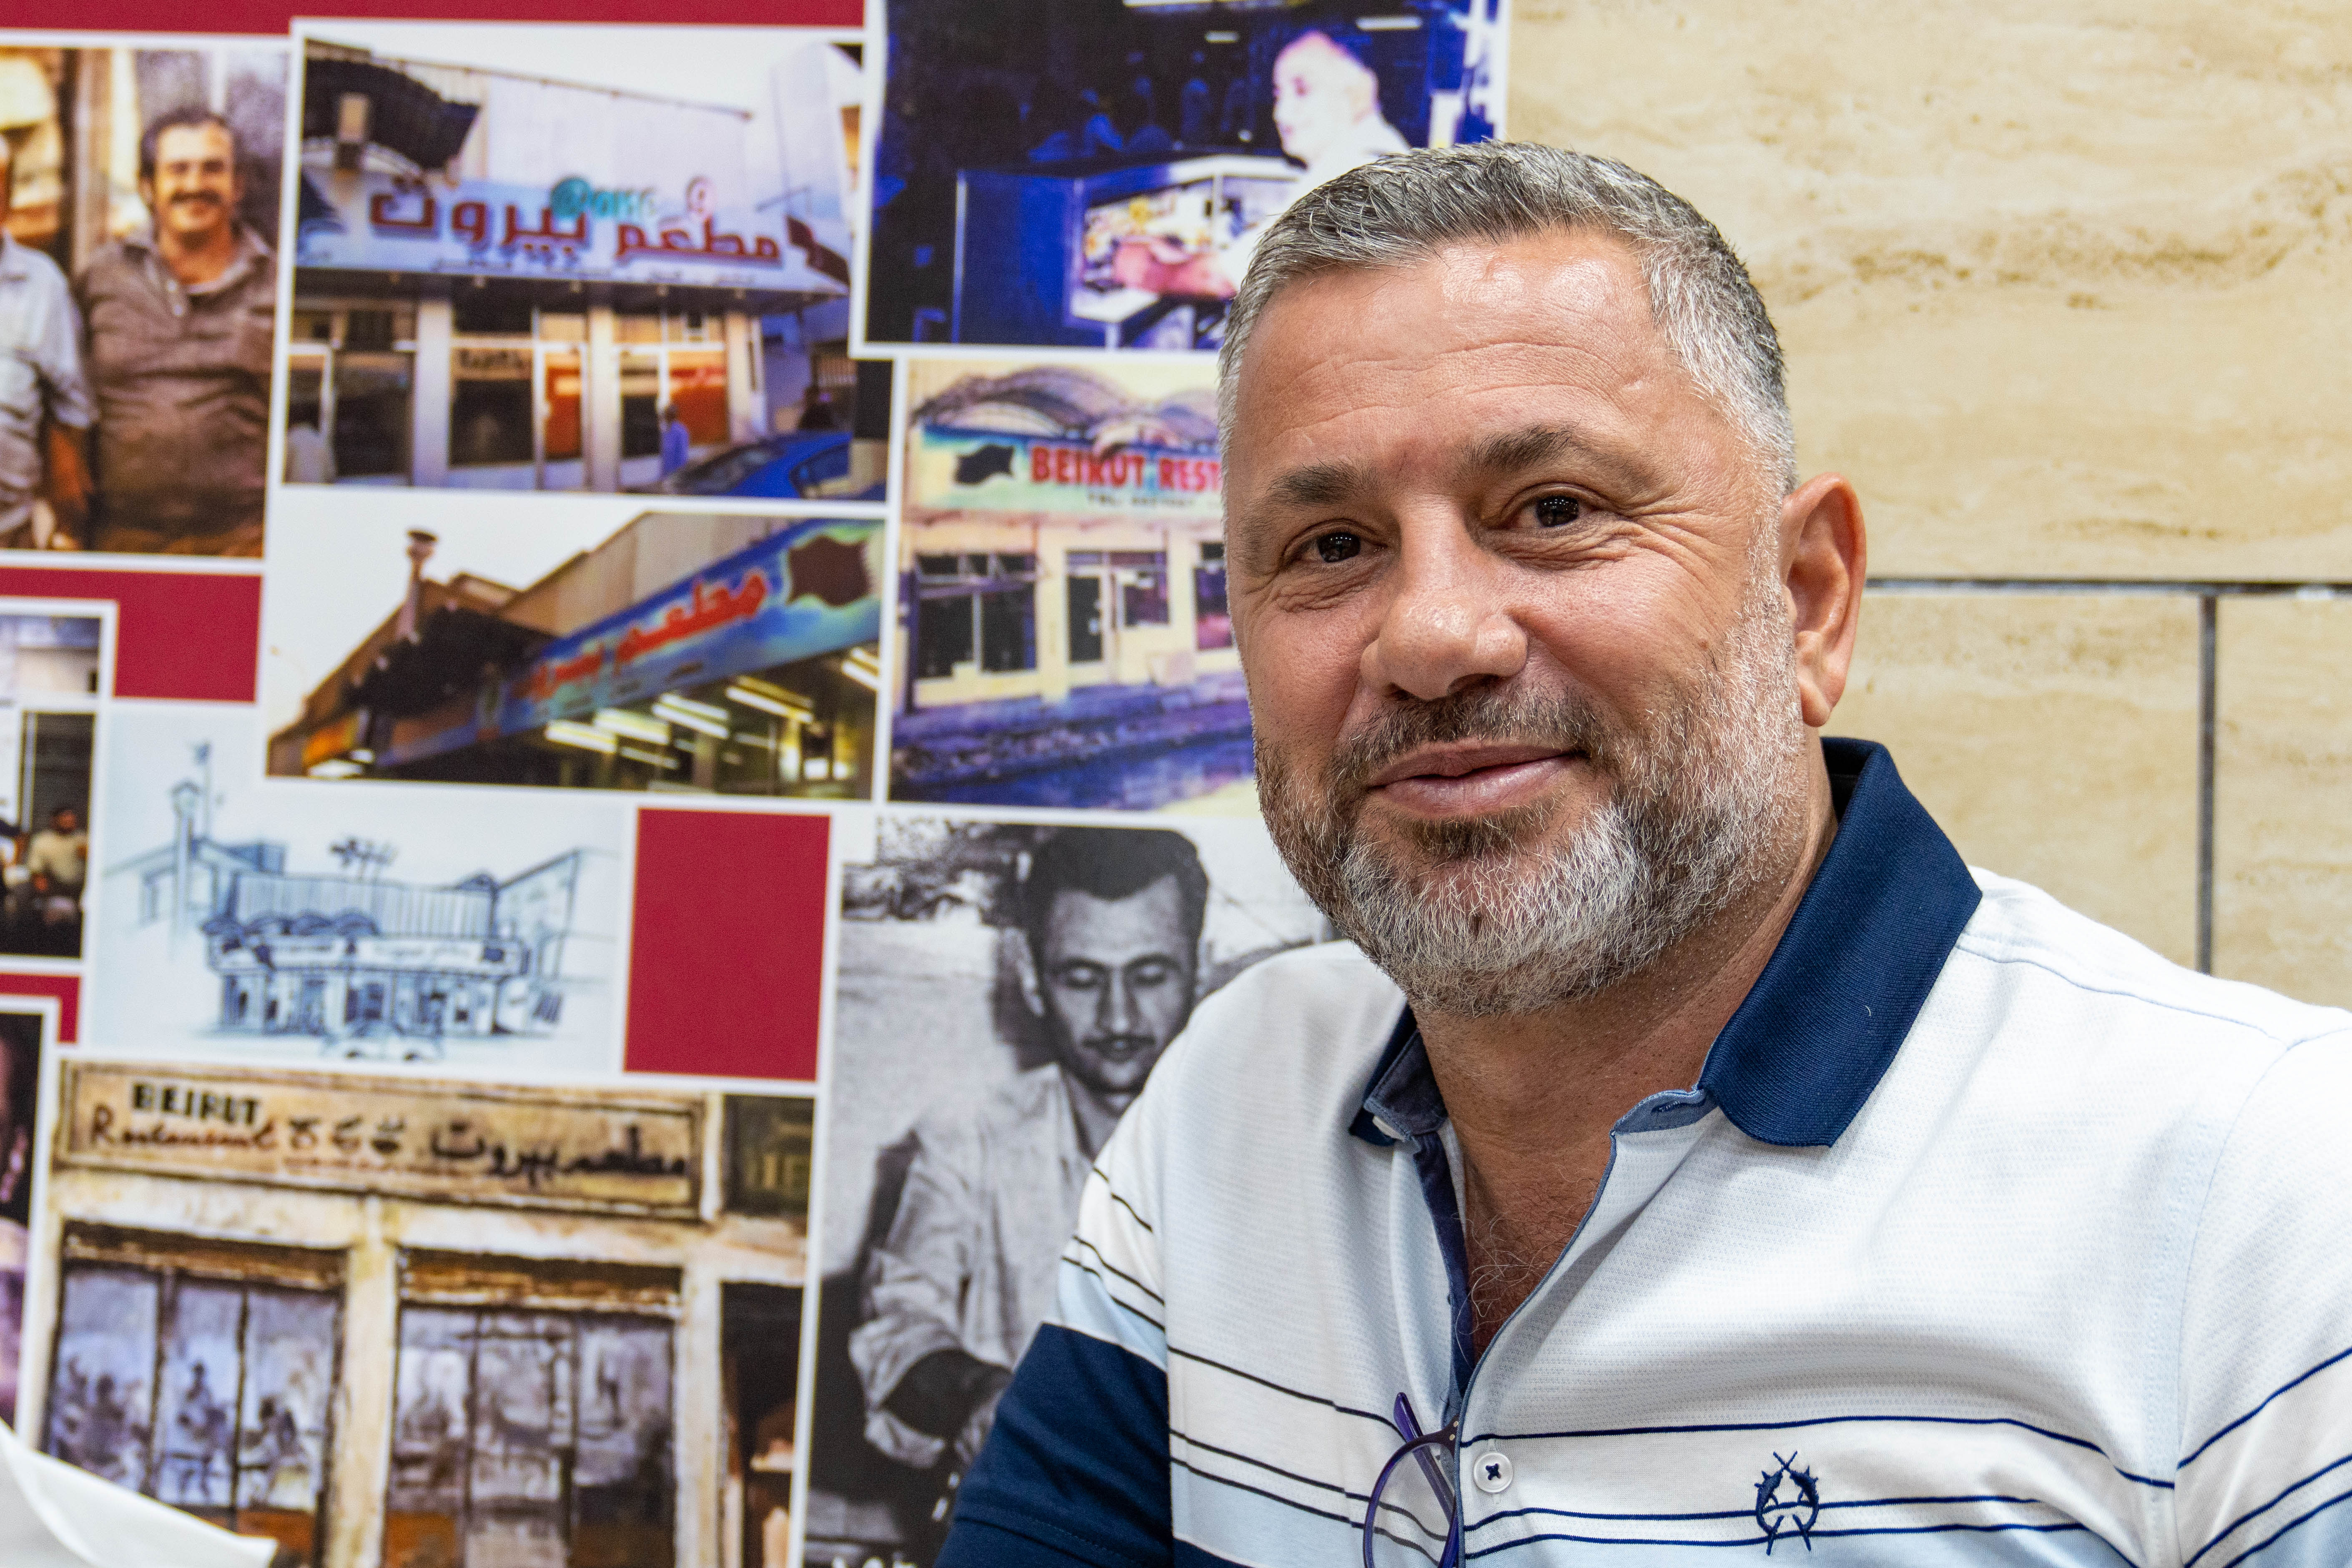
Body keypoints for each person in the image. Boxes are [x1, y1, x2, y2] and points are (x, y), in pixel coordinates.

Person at [939, 143, 2352, 1566]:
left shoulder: (2268, 1197)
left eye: (1554, 511)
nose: (1431, 636)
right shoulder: (1234, 1096)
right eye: (1330, 546)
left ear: (1807, 600)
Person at [850, 828, 1207, 1492]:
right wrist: (978, 1394)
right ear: (1031, 978)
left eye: (1149, 975)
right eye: (1082, 978)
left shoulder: (1269, 1149)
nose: (1118, 1015)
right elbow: (897, 1324)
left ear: (1200, 965)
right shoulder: (966, 1141)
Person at [74, 108, 274, 556]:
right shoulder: (102, 278)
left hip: (242, 542)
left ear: (238, 185)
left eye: (212, 168)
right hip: (121, 540)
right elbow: (66, 396)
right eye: (178, 169)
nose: (195, 184)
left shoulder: (276, 284)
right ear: (148, 186)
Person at [1108, 30, 1408, 301]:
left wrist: (1147, 272)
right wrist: (1179, 256)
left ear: (1359, 94)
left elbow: (1223, 279)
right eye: (1278, 95)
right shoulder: (1375, 154)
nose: (1281, 113)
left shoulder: (1351, 172)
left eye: (1303, 90)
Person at [0, 135, 95, 550]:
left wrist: (66, 518)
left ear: (6, 200)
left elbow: (69, 405)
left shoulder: (43, 283)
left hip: (10, 534)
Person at [658, 404, 691, 477]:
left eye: (668, 415)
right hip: (667, 473)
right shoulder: (666, 432)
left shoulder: (681, 431)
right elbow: (665, 455)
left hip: (676, 474)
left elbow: (682, 455)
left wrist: (680, 474)